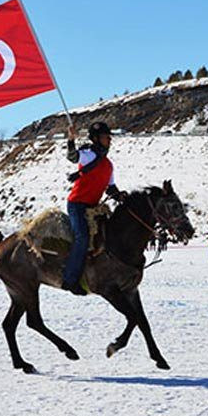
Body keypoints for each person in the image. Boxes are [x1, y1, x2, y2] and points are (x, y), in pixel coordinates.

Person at [62, 121, 127, 295]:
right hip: (77, 205)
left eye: (110, 138)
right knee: (82, 237)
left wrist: (120, 196)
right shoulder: (88, 154)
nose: (110, 141)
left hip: (94, 207)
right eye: (107, 137)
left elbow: (111, 188)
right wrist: (70, 139)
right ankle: (70, 279)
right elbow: (72, 157)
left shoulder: (108, 165)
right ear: (96, 139)